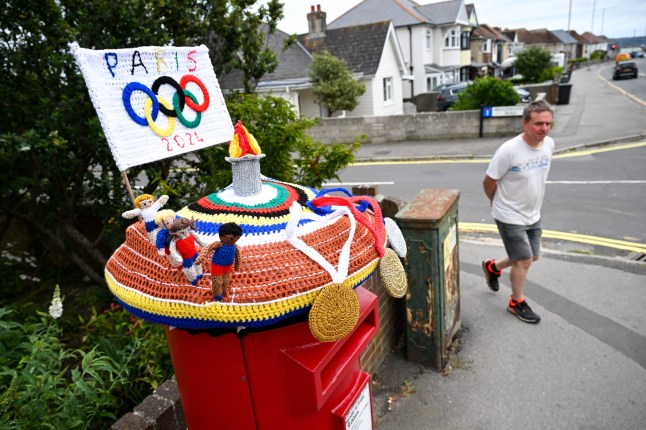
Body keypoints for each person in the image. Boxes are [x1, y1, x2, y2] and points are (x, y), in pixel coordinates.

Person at [481, 99, 555, 324]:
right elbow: (488, 180)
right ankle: (516, 301)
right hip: (509, 214)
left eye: (548, 124)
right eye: (538, 124)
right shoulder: (509, 150)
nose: (544, 129)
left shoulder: (549, 144)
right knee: (523, 259)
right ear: (524, 123)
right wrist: (495, 202)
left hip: (533, 213)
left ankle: (493, 267)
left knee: (531, 257)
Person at [197, 223, 243, 300]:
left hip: (228, 265)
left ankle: (223, 290)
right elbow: (208, 248)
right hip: (217, 265)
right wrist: (201, 257)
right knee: (216, 281)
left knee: (226, 279)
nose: (233, 239)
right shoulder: (219, 244)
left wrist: (237, 265)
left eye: (236, 237)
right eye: (231, 237)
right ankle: (217, 294)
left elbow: (238, 257)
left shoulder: (234, 246)